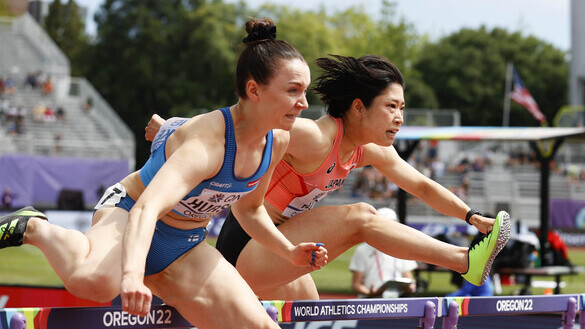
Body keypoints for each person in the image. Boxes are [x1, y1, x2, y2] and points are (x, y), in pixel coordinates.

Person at [0, 18, 327, 329]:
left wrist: (288, 251)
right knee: (95, 283)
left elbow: (251, 208)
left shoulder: (278, 140)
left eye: (305, 91)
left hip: (184, 244)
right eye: (293, 91)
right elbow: (147, 208)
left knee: (259, 325)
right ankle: (35, 227)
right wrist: (130, 275)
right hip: (130, 213)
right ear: (254, 91)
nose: (302, 103)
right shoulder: (207, 144)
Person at [146, 53, 511, 300]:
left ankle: (469, 259)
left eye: (402, 108)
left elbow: (421, 185)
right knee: (361, 217)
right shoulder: (313, 137)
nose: (399, 118)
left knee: (313, 311)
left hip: (280, 250)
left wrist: (470, 215)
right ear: (358, 108)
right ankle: (465, 261)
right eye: (391, 107)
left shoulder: (369, 149)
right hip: (244, 250)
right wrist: (174, 129)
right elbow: (240, 124)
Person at [349, 207, 417, 298]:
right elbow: (356, 285)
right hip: (369, 303)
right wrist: (370, 293)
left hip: (395, 303)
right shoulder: (362, 250)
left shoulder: (403, 248)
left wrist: (410, 288)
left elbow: (410, 281)